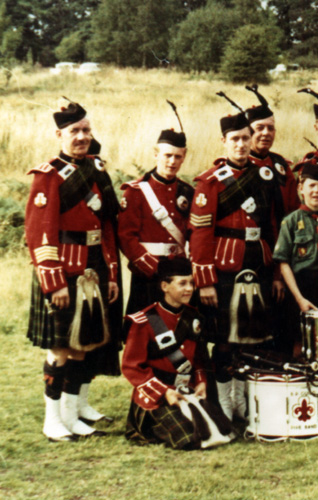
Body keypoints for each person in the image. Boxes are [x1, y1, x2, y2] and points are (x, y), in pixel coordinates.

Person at [26, 99, 121, 441]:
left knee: (83, 344)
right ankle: (52, 421)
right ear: (59, 134)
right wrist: (54, 283)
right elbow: (39, 234)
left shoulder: (96, 170)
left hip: (93, 271)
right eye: (74, 131)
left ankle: (70, 414)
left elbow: (106, 227)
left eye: (86, 130)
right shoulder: (48, 176)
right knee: (60, 349)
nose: (81, 137)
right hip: (63, 270)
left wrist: (109, 271)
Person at [189, 95, 283, 420]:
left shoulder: (265, 175)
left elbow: (273, 226)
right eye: (235, 139)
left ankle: (243, 403)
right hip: (225, 270)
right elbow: (200, 235)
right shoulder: (209, 183)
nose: (242, 144)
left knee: (251, 339)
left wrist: (278, 274)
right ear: (224, 141)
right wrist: (205, 283)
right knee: (225, 342)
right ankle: (224, 405)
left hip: (259, 265)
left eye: (246, 138)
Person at [122, 258, 232, 450]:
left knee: (223, 431)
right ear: (165, 286)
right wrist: (165, 392)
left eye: (191, 283)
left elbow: (198, 358)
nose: (189, 289)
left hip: (186, 391)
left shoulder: (194, 316)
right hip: (157, 397)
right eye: (182, 283)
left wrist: (201, 382)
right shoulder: (144, 321)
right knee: (191, 438)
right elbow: (131, 367)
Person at [118, 101, 193, 316]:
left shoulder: (188, 191)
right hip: (147, 274)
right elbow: (126, 236)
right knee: (147, 329)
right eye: (167, 155)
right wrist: (151, 267)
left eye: (178, 156)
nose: (172, 161)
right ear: (156, 153)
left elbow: (194, 232)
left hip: (179, 272)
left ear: (184, 156)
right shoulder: (136, 191)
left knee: (178, 329)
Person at [273, 161, 318, 357]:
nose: (316, 191)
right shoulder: (290, 221)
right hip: (301, 288)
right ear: (301, 189)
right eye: (311, 186)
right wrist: (299, 298)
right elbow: (284, 263)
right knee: (300, 344)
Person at [244, 84, 299, 223]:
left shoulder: (280, 164)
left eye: (270, 128)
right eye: (260, 128)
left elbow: (294, 207)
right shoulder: (238, 164)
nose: (266, 133)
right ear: (248, 132)